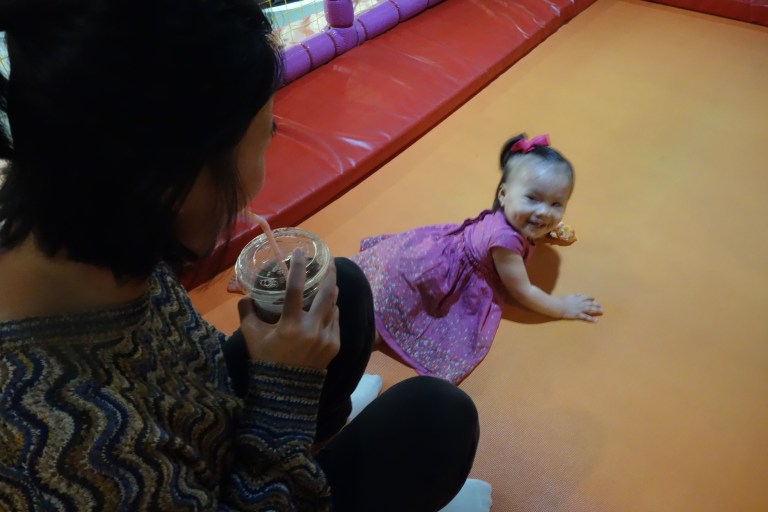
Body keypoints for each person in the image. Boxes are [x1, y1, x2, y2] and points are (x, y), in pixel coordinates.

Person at [0, 1, 490, 510]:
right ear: (176, 183)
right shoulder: (65, 446)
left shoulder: (89, 214)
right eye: (265, 139)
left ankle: (312, 443)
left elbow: (182, 369)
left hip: (201, 436)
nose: (259, 175)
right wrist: (284, 392)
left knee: (339, 286)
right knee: (437, 421)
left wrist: (278, 372)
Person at [351, 134, 603, 385]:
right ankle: (350, 351)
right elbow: (523, 290)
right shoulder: (506, 244)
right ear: (504, 195)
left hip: (433, 252)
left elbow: (536, 215)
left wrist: (544, 228)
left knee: (376, 300)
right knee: (394, 318)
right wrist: (562, 307)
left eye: (556, 204)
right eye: (533, 199)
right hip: (439, 275)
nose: (544, 212)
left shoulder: (509, 215)